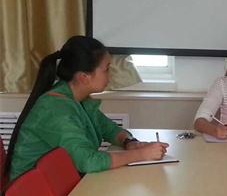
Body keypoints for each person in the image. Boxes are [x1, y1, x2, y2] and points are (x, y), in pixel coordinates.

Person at [6, 36, 169, 181]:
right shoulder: (55, 109)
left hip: (57, 181)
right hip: (34, 193)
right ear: (84, 77)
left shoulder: (77, 98)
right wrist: (140, 154)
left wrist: (130, 143)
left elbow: (108, 128)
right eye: (106, 69)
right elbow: (87, 161)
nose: (110, 74)